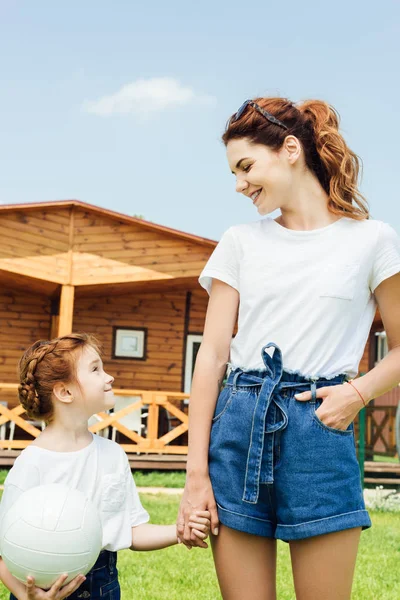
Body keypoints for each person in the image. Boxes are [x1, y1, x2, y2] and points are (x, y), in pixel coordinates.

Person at [177, 97, 400, 599]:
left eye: (246, 166)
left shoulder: (372, 241)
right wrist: (195, 478)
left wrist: (357, 393)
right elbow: (211, 359)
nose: (239, 184)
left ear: (291, 149)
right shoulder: (239, 241)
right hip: (239, 427)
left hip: (320, 429)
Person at [0, 333, 210, 600]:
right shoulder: (32, 464)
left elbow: (130, 530)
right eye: (95, 369)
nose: (109, 377)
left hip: (102, 585)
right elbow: (2, 551)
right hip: (41, 589)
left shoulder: (113, 454)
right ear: (65, 392)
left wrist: (179, 531)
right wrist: (26, 595)